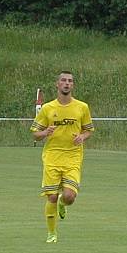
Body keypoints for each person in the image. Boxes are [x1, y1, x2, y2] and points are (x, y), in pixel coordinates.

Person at [29, 71, 94, 243]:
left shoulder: (82, 107)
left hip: (73, 156)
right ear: (57, 84)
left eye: (70, 81)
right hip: (52, 156)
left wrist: (82, 137)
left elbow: (88, 130)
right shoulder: (47, 109)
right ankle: (52, 233)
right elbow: (35, 134)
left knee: (69, 196)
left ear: (73, 85)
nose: (67, 83)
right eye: (64, 81)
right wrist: (44, 132)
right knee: (50, 196)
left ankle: (62, 203)